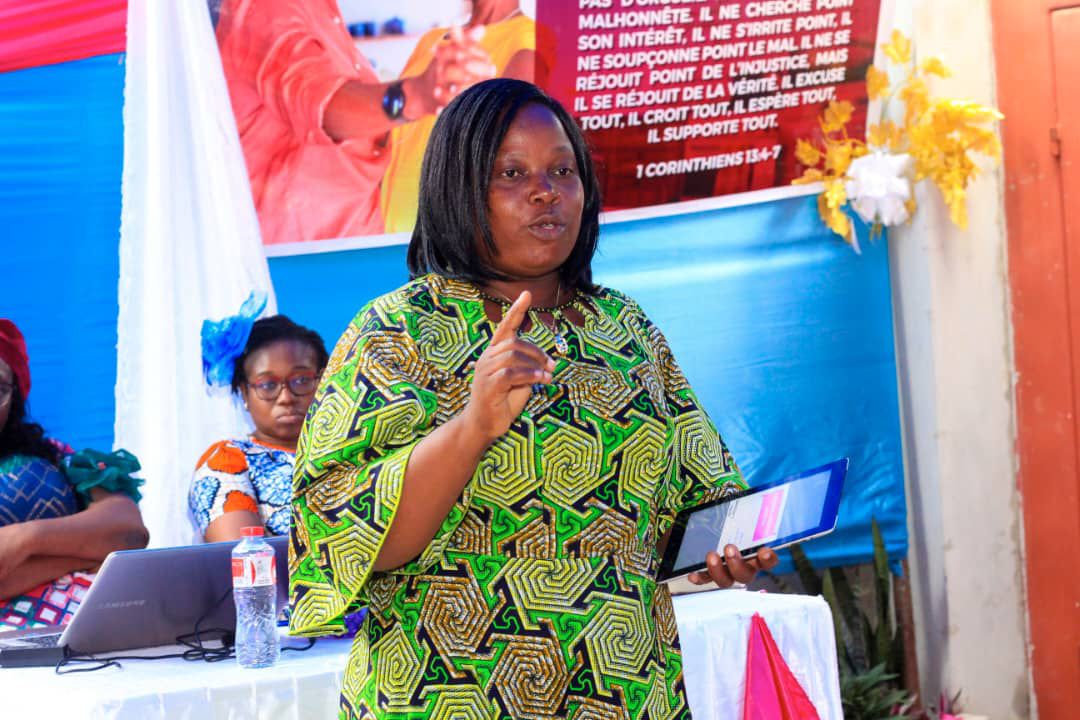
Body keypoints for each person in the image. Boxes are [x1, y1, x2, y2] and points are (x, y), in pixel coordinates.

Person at [288, 79, 779, 718]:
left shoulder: (625, 328)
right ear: (458, 189)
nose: (546, 191)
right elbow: (350, 540)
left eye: (562, 171)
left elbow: (690, 507)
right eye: (512, 173)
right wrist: (473, 427)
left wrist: (720, 555)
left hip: (621, 688)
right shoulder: (398, 331)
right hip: (451, 692)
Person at [215, 0, 496, 244]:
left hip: (351, 247)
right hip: (302, 259)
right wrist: (416, 96)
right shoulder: (268, 7)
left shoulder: (321, 11)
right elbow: (321, 102)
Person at [0, 319, 149, 630]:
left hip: (84, 632)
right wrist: (86, 554)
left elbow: (131, 532)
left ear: (15, 395)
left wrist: (24, 539)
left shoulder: (53, 456)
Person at [380, 0, 549, 232]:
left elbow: (510, 153)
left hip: (442, 234)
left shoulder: (532, 39)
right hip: (387, 226)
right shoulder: (432, 40)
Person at [189, 313, 328, 543]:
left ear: (323, 382)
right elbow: (243, 556)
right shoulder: (229, 460)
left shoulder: (357, 448)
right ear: (244, 392)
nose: (286, 397)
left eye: (301, 380)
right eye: (268, 385)